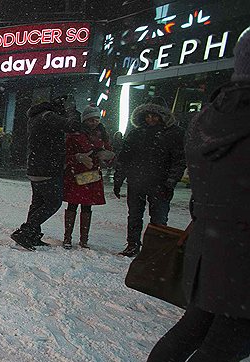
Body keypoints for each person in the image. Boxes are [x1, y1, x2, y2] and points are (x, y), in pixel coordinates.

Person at [124, 33, 250, 362]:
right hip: (243, 249)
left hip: (210, 240)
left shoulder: (207, 119)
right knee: (229, 340)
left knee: (197, 324)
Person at [112, 101, 186, 257]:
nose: (151, 119)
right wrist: (118, 179)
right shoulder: (137, 133)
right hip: (138, 181)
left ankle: (154, 249)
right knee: (135, 216)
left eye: (154, 116)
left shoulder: (173, 134)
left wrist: (171, 181)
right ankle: (134, 245)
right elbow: (125, 158)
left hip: (159, 182)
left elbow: (179, 160)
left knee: (158, 218)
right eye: (148, 116)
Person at [10, 95, 81, 250]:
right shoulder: (48, 116)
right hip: (47, 168)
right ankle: (25, 231)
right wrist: (72, 110)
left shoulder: (36, 116)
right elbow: (73, 125)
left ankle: (32, 235)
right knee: (53, 203)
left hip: (36, 167)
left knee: (38, 203)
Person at [61, 106, 114, 249]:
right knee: (73, 204)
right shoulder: (75, 134)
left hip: (91, 175)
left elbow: (109, 153)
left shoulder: (102, 135)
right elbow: (65, 155)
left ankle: (84, 240)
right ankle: (68, 237)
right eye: (91, 119)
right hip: (76, 174)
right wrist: (77, 157)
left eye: (96, 119)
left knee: (87, 207)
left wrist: (107, 156)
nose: (94, 122)